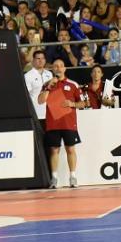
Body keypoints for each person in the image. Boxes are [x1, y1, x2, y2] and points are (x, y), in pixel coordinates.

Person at [38, 59, 86, 189]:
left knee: (70, 149)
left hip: (68, 123)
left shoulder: (73, 84)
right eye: (55, 66)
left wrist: (72, 104)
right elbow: (40, 101)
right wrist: (48, 87)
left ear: (64, 69)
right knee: (54, 150)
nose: (58, 68)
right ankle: (54, 178)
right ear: (52, 69)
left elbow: (83, 103)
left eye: (60, 66)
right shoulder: (47, 84)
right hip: (53, 123)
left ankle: (73, 177)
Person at [24, 50, 53, 125]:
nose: (41, 61)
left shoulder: (49, 74)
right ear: (33, 60)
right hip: (36, 113)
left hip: (50, 113)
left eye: (43, 58)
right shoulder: (27, 76)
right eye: (38, 58)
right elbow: (26, 96)